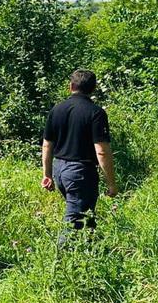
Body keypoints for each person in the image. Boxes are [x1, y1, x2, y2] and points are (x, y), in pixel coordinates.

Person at [41, 68, 118, 244]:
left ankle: (90, 255)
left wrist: (47, 175)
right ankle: (59, 262)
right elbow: (102, 150)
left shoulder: (57, 110)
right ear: (93, 88)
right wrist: (111, 183)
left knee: (85, 215)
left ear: (71, 86)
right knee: (74, 223)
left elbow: (47, 145)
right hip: (80, 173)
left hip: (59, 170)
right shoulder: (96, 112)